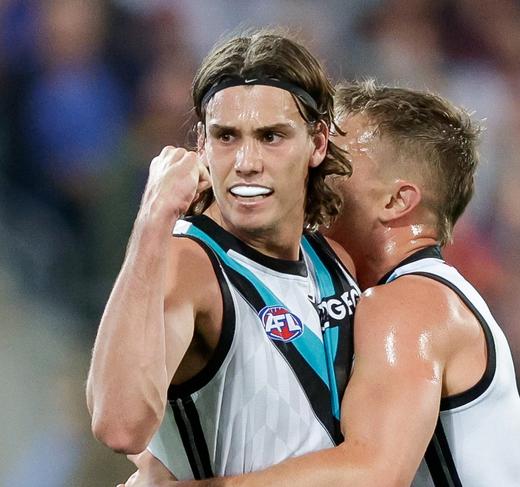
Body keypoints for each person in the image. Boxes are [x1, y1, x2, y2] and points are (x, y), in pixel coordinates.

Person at [122, 81, 520, 487]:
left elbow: (370, 473)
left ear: (396, 201)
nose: (313, 169)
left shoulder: (410, 305)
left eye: (336, 160)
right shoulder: (365, 295)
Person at [86, 30, 360, 481]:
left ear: (318, 142)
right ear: (201, 145)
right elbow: (120, 425)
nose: (247, 161)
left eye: (271, 136)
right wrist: (154, 219)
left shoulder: (335, 260)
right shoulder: (191, 264)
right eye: (227, 136)